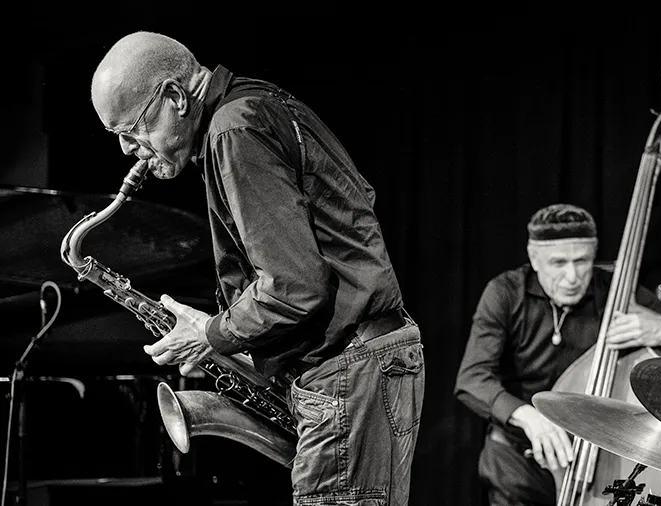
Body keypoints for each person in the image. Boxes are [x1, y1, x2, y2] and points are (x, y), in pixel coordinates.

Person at [89, 31, 424, 506]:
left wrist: (211, 335)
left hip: (349, 369)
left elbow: (293, 287)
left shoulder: (235, 128)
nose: (127, 149)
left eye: (132, 129)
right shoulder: (257, 104)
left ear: (174, 97)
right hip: (360, 363)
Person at [454, 203, 661, 506]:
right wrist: (527, 416)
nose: (572, 276)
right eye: (559, 263)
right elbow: (472, 378)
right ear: (534, 258)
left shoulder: (615, 292)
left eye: (581, 261)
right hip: (521, 457)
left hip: (598, 460)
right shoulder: (505, 292)